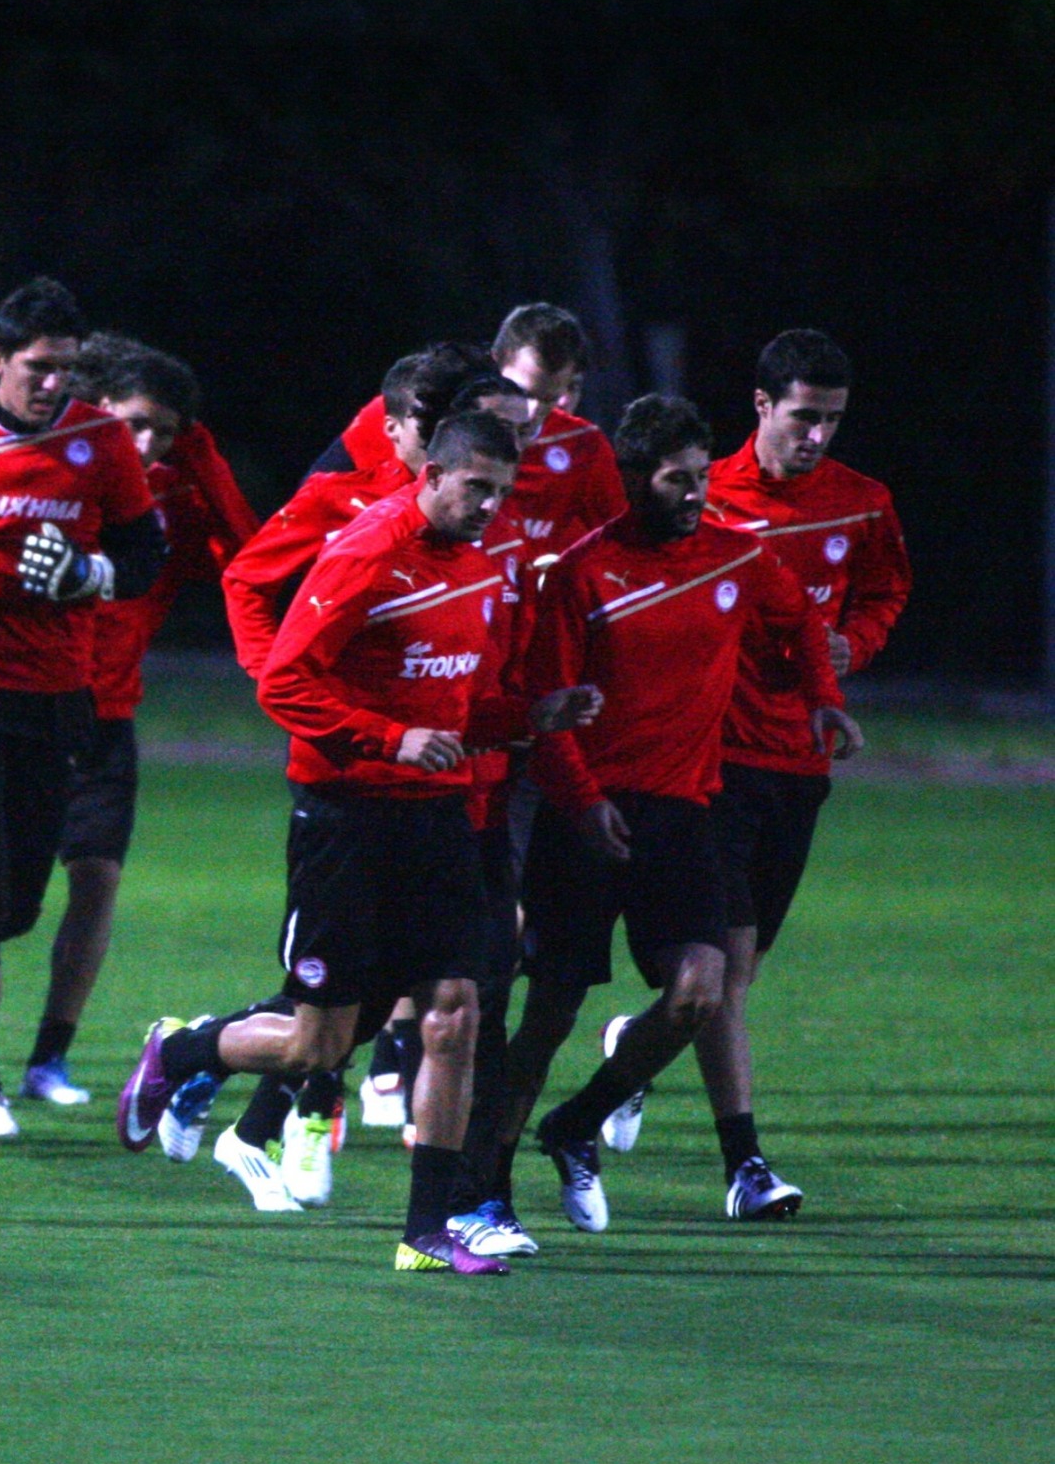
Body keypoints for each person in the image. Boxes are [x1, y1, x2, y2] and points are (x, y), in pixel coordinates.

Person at [118, 411, 602, 1273]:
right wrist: (388, 738)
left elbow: (455, 709)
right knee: (319, 1046)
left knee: (454, 1010)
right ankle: (183, 1048)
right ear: (432, 475)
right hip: (345, 817)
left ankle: (426, 1230)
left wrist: (530, 715)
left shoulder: (482, 568)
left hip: (439, 817)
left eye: (501, 491)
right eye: (475, 486)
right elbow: (284, 683)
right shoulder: (368, 551)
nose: (489, 506)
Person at [0, 335, 253, 1112]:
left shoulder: (165, 495)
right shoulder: (61, 471)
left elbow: (247, 550)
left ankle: (47, 1057)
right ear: (98, 411)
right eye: (135, 423)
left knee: (92, 882)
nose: (148, 443)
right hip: (27, 698)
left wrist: (200, 450)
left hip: (109, 712)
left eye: (166, 431)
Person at [501, 394, 858, 1233]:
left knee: (699, 989)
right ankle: (485, 1188)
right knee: (547, 1016)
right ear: (632, 480)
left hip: (681, 812)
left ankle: (576, 1122)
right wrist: (584, 802)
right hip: (583, 819)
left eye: (700, 475)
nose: (695, 492)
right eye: (675, 479)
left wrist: (823, 697)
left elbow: (800, 619)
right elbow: (547, 711)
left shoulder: (735, 555)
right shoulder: (582, 571)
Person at [594, 332, 908, 1215]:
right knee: (724, 975)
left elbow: (883, 593)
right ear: (762, 405)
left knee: (738, 974)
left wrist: (854, 647)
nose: (817, 435)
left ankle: (634, 1046)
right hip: (714, 761)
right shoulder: (707, 496)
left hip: (798, 761)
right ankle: (745, 1165)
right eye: (803, 416)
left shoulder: (861, 503)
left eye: (832, 420)